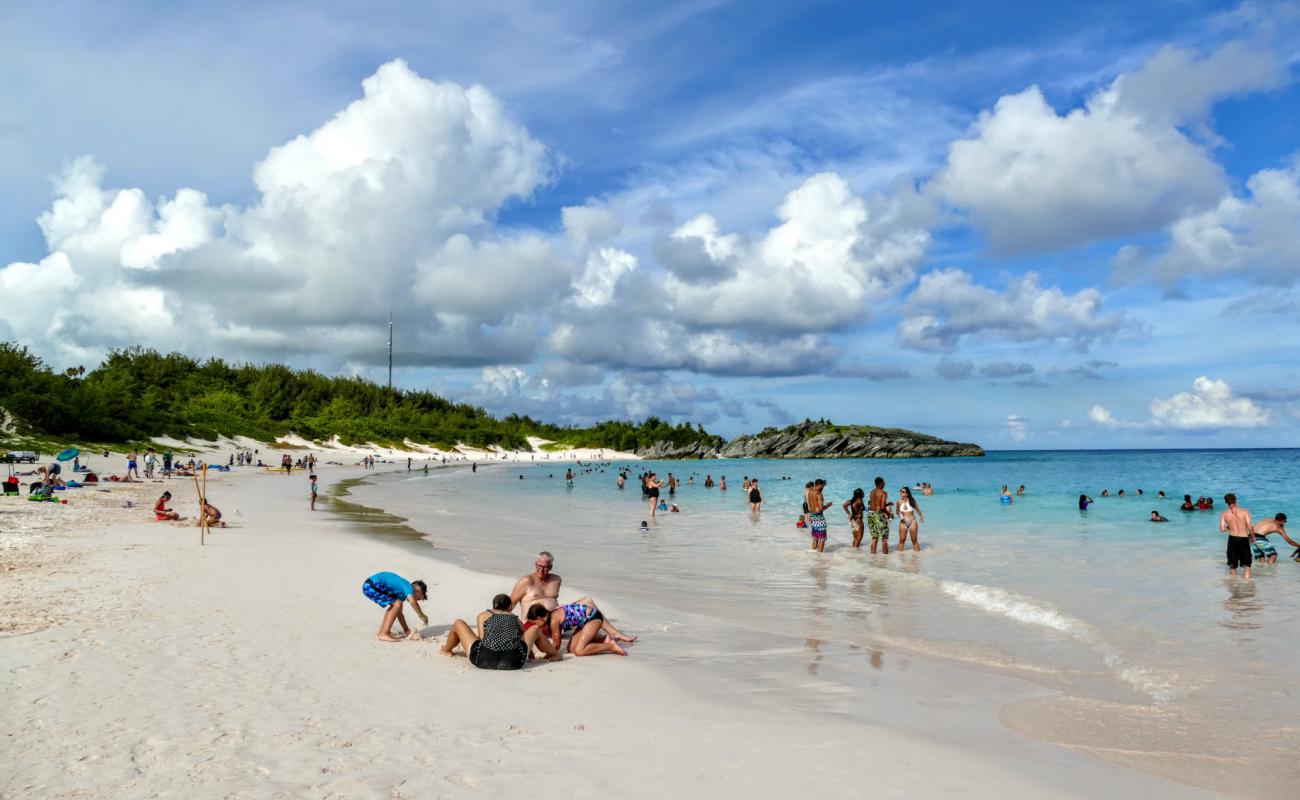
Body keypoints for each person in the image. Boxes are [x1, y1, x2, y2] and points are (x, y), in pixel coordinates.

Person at [440, 594, 560, 669]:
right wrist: (530, 655)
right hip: (513, 661)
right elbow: (523, 639)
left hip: (482, 659)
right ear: (509, 607)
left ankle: (446, 649)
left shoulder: (484, 615)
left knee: (458, 623)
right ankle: (554, 654)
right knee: (534, 629)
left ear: (493, 606)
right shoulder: (515, 618)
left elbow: (482, 638)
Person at [546, 597, 634, 657]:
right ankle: (605, 640)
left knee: (579, 651)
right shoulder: (553, 613)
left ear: (539, 618)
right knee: (571, 649)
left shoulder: (553, 620)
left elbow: (557, 644)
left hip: (592, 618)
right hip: (584, 621)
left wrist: (548, 655)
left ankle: (610, 646)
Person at [361, 572, 429, 642]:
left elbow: (399, 613)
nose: (416, 600)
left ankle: (382, 631)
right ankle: (384, 633)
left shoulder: (400, 592)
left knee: (397, 605)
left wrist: (406, 631)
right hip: (373, 585)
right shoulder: (408, 586)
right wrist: (421, 615)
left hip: (370, 585)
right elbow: (412, 602)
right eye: (418, 598)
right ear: (418, 589)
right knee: (397, 604)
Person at [1219, 493, 1254, 580]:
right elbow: (1250, 526)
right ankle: (1247, 586)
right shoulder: (1244, 511)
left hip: (1232, 539)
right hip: (1243, 538)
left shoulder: (1224, 514)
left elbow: (1222, 529)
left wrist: (1230, 527)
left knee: (1233, 565)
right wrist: (1253, 537)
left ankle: (1234, 586)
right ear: (1235, 500)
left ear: (1226, 502)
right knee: (1247, 565)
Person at [896, 486, 924, 551]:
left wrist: (921, 516)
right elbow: (897, 511)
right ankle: (900, 557)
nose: (901, 493)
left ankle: (917, 558)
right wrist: (900, 517)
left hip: (912, 522)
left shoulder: (912, 500)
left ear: (907, 493)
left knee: (914, 540)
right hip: (903, 522)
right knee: (902, 540)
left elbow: (917, 509)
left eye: (903, 492)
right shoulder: (899, 501)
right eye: (901, 491)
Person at [868, 477, 891, 554]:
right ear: (880, 483)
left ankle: (873, 556)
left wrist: (888, 504)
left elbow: (875, 504)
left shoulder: (872, 492)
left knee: (874, 537)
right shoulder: (883, 493)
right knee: (884, 537)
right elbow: (882, 507)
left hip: (870, 514)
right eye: (884, 482)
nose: (884, 484)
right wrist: (889, 514)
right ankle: (885, 558)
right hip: (879, 515)